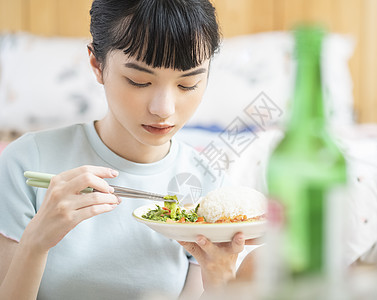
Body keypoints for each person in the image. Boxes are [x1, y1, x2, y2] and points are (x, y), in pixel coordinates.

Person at [0, 0, 256, 299]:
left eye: (188, 84)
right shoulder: (27, 162)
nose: (164, 109)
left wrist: (220, 275)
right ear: (97, 65)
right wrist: (35, 242)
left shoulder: (209, 188)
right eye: (139, 81)